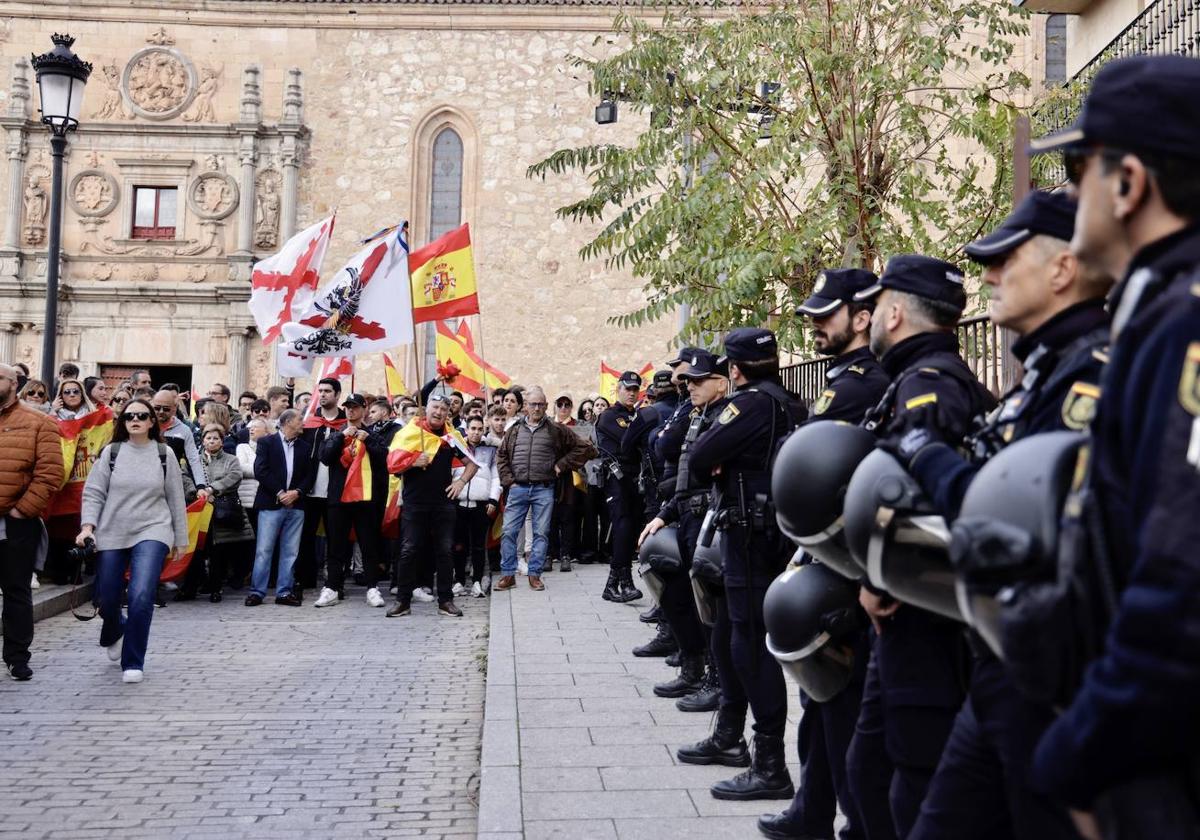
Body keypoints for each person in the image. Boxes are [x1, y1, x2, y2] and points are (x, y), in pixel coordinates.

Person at [1022, 55, 1200, 840]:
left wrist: (1081, 750)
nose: (1065, 193)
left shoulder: (1187, 326)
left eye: (1076, 168)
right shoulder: (1160, 312)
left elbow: (1181, 580)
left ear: (1129, 184)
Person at [844, 255, 997, 840]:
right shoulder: (924, 376)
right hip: (908, 610)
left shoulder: (929, 383)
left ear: (897, 311)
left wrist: (881, 582)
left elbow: (921, 499)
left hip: (922, 615)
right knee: (871, 767)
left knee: (911, 774)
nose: (872, 317)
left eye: (877, 307)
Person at [758, 268, 891, 840]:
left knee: (840, 704)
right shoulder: (847, 380)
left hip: (849, 563)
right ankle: (812, 813)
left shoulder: (860, 384)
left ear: (863, 317)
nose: (814, 324)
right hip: (832, 557)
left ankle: (853, 822)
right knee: (823, 701)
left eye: (825, 315)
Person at [680, 328, 803, 802]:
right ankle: (729, 735)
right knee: (732, 633)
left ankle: (769, 763)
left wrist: (718, 455)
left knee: (748, 642)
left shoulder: (750, 403)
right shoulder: (790, 401)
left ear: (734, 370)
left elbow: (703, 455)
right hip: (770, 531)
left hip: (750, 536)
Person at [78, 397, 189, 684]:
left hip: (153, 529)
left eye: (142, 415)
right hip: (112, 529)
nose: (135, 420)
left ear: (152, 421)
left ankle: (133, 661)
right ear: (122, 422)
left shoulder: (164, 454)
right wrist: (87, 526)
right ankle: (115, 629)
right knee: (107, 597)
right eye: (129, 417)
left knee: (141, 595)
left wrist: (181, 538)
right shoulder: (111, 453)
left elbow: (176, 498)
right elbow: (93, 492)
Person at [638, 348, 725, 707]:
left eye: (697, 381)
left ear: (720, 383)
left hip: (709, 518)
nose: (689, 387)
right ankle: (692, 666)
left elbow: (713, 478)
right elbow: (682, 472)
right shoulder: (695, 414)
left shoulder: (723, 416)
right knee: (674, 591)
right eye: (687, 381)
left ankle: (714, 678)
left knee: (710, 607)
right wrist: (665, 514)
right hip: (685, 512)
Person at [494, 386, 595, 591]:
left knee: (541, 533)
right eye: (533, 404)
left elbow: (585, 448)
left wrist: (562, 465)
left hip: (544, 489)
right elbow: (502, 456)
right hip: (518, 488)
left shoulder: (556, 430)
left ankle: (535, 574)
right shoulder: (514, 430)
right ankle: (507, 575)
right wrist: (509, 481)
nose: (537, 408)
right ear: (525, 407)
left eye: (541, 404)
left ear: (547, 406)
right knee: (509, 531)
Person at [386, 394, 477, 618]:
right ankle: (403, 601)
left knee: (444, 552)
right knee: (408, 551)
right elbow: (392, 465)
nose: (438, 412)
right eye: (435, 407)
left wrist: (461, 481)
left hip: (443, 504)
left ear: (449, 414)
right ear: (426, 410)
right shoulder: (409, 433)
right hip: (414, 502)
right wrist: (412, 461)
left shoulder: (451, 437)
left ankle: (446, 601)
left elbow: (472, 464)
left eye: (443, 410)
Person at [0, 363, 63, 682]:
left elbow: (51, 473)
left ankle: (16, 656)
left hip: (15, 522)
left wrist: (22, 510)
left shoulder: (40, 422)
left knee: (16, 591)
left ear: (13, 383)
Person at [314, 393, 387, 609]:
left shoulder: (374, 433)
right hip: (339, 498)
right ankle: (332, 587)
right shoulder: (336, 433)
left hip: (366, 499)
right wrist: (341, 437)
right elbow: (325, 457)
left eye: (355, 407)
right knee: (336, 546)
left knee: (369, 544)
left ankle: (372, 588)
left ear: (364, 409)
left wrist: (368, 439)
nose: (350, 411)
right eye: (347, 407)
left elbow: (384, 458)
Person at [246, 409, 312, 607]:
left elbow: (310, 475)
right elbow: (261, 470)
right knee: (264, 550)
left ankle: (284, 591)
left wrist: (297, 492)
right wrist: (280, 492)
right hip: (270, 503)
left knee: (291, 550)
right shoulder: (267, 442)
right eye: (300, 420)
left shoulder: (305, 446)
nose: (303, 423)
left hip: (296, 504)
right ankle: (257, 592)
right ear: (288, 422)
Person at [594, 372, 645, 602]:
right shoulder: (609, 416)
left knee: (630, 529)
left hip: (635, 479)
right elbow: (629, 442)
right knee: (623, 527)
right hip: (617, 479)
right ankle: (622, 581)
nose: (632, 393)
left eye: (635, 389)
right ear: (618, 389)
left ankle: (617, 583)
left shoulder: (637, 416)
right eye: (628, 389)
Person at [186, 424, 251, 604]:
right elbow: (184, 476)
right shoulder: (195, 460)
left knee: (218, 553)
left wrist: (212, 490)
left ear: (222, 441)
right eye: (208, 438)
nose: (212, 441)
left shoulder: (231, 459)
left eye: (216, 438)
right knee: (197, 550)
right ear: (203, 440)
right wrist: (196, 492)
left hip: (222, 511)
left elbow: (234, 477)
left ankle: (216, 588)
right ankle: (191, 588)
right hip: (199, 509)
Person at [296, 378, 345, 593]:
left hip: (336, 491)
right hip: (310, 490)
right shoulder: (309, 424)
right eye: (320, 391)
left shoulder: (346, 424)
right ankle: (305, 579)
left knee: (336, 540)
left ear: (337, 395)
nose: (323, 394)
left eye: (327, 391)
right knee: (305, 536)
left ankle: (335, 583)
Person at [454, 415, 501, 598]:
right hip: (458, 502)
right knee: (458, 545)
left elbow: (496, 476)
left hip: (481, 503)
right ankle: (458, 581)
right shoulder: (458, 447)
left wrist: (493, 499)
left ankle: (477, 581)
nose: (476, 432)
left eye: (480, 429)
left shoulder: (490, 449)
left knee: (478, 546)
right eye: (473, 428)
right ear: (466, 429)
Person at [234, 417, 270, 587]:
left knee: (260, 541)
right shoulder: (242, 447)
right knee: (245, 540)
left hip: (263, 500)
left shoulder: (270, 446)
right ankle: (242, 573)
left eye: (255, 427)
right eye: (249, 427)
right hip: (247, 500)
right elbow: (241, 468)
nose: (251, 429)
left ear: (266, 430)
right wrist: (263, 470)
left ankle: (256, 575)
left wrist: (258, 469)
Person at [152, 389, 207, 491]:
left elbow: (193, 460)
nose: (161, 412)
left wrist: (201, 486)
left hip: (170, 483)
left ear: (174, 408)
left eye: (166, 409)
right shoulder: (146, 426)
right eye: (157, 408)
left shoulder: (184, 430)